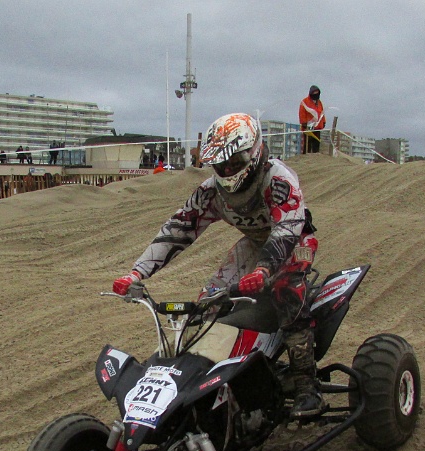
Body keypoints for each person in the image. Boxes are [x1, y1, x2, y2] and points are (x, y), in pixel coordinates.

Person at [111, 112, 323, 417]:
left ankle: (306, 384)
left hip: (294, 240)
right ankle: (195, 379)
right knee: (208, 301)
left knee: (287, 290)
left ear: (253, 151)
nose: (226, 170)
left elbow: (286, 230)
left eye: (233, 162)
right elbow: (178, 230)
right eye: (220, 164)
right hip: (254, 243)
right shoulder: (211, 191)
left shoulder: (278, 179)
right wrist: (136, 272)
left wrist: (264, 269)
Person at [299, 85, 325, 154]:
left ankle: (315, 157)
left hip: (317, 127)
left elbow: (321, 112)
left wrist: (323, 121)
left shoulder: (319, 102)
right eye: (314, 93)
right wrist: (303, 123)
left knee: (316, 144)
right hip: (308, 127)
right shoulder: (304, 101)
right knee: (307, 144)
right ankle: (305, 157)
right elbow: (302, 113)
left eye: (317, 93)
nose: (316, 95)